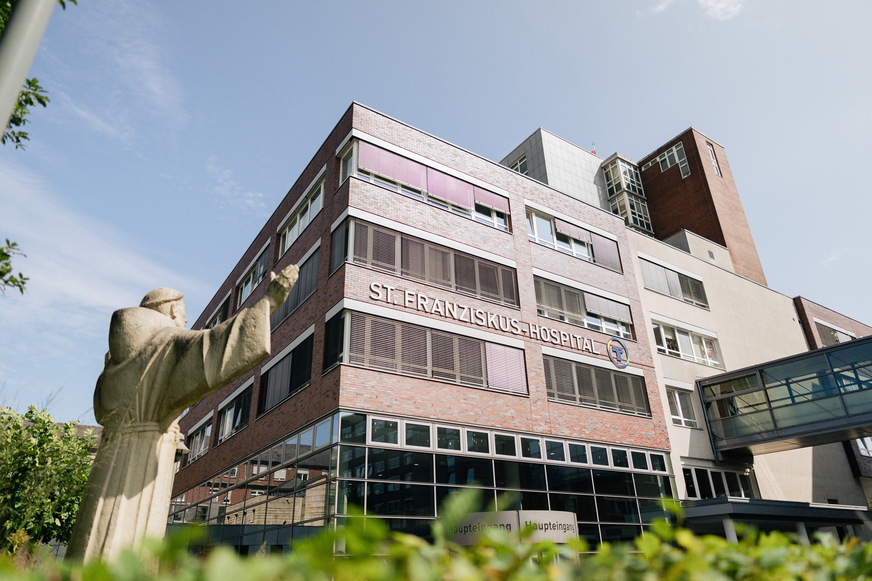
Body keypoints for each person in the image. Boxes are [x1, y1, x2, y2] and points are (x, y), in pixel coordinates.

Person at [67, 264, 299, 562]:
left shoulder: (114, 364)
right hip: (140, 459)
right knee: (127, 539)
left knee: (94, 536)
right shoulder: (163, 345)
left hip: (110, 460)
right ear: (171, 310)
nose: (187, 318)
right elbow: (215, 346)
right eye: (183, 311)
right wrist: (268, 302)